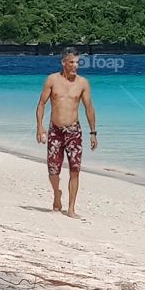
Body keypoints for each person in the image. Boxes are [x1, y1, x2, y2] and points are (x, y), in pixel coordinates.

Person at [36, 47, 97, 218]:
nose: (75, 66)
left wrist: (93, 132)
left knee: (75, 169)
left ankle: (71, 209)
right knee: (53, 170)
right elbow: (41, 103)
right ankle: (57, 193)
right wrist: (39, 127)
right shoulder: (52, 80)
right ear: (63, 62)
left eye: (77, 62)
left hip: (74, 131)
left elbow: (89, 108)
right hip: (55, 131)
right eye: (71, 62)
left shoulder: (83, 83)